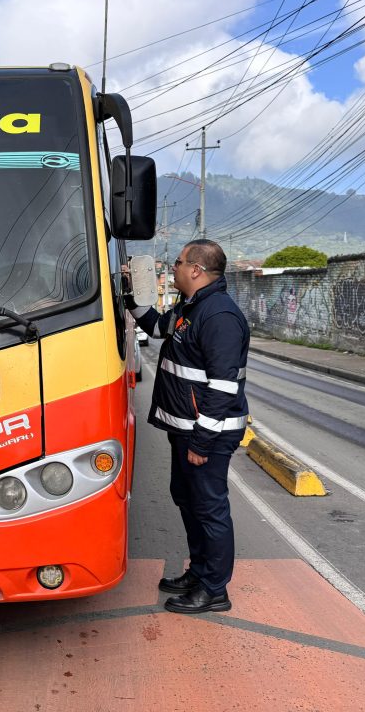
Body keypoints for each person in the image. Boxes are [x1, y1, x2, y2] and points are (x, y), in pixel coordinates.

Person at [127, 240, 250, 614]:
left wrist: (202, 440)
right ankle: (199, 572)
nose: (174, 268)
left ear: (196, 270)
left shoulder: (219, 316)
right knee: (188, 501)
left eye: (178, 263)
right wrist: (130, 298)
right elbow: (159, 327)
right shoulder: (192, 307)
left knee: (209, 508)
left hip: (206, 433)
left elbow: (224, 386)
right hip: (185, 429)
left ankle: (215, 589)